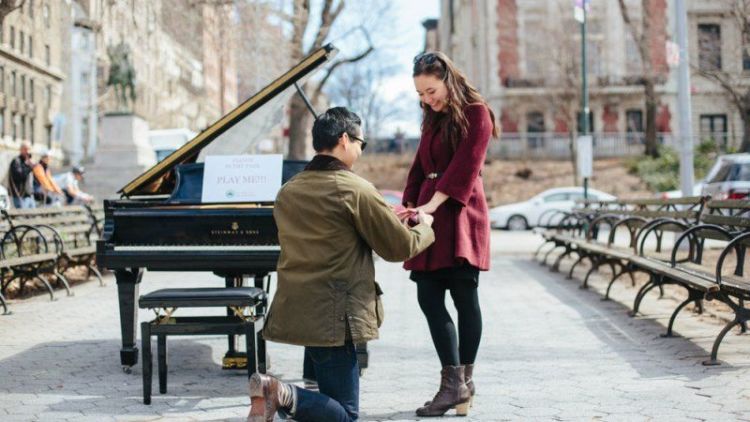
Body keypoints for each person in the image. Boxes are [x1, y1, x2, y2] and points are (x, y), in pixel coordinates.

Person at [248, 107, 436, 422]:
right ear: (345, 139)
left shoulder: (288, 191)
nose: (361, 150)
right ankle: (279, 392)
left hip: (300, 305)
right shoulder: (355, 188)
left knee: (322, 400)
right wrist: (425, 225)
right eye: (361, 142)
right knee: (346, 416)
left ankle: (288, 398)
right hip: (337, 312)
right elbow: (398, 247)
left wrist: (381, 215)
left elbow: (329, 234)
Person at [397, 51, 499, 417]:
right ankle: (455, 385)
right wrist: (409, 205)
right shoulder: (431, 120)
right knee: (428, 297)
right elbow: (418, 167)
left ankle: (461, 382)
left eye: (431, 90)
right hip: (429, 215)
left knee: (464, 297)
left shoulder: (477, 113)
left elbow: (466, 166)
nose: (427, 99)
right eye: (421, 94)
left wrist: (431, 206)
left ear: (447, 79)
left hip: (461, 212)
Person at [7, 141, 35, 209]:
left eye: (29, 149)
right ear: (21, 150)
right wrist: (29, 167)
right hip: (19, 195)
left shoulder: (28, 162)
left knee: (33, 216)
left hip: (29, 195)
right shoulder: (16, 161)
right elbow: (19, 176)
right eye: (25, 149)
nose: (27, 152)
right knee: (22, 217)